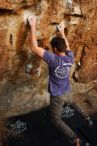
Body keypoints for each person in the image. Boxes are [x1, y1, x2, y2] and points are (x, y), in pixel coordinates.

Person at [28, 16, 93, 146]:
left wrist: (33, 25)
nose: (52, 50)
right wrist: (62, 32)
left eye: (53, 49)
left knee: (55, 119)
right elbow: (67, 46)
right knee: (72, 103)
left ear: (55, 50)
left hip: (57, 96)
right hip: (67, 90)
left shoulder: (53, 59)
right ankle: (87, 117)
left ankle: (74, 139)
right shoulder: (70, 57)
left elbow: (34, 48)